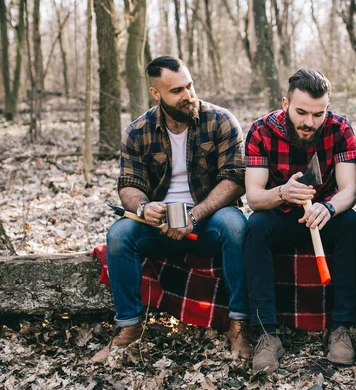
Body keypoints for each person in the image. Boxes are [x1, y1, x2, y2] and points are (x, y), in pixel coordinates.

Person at [91, 56, 250, 362]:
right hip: (158, 225)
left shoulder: (221, 121)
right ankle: (130, 327)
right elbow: (128, 183)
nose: (187, 95)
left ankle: (239, 324)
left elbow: (234, 180)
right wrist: (143, 207)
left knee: (236, 225)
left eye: (189, 85)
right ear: (156, 93)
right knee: (119, 234)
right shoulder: (138, 131)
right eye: (176, 90)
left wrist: (194, 215)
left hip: (207, 219)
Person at [244, 69, 356, 373]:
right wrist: (283, 192)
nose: (309, 122)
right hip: (280, 216)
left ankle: (341, 329)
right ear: (285, 103)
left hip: (323, 218)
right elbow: (254, 198)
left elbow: (349, 189)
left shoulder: (340, 130)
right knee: (254, 228)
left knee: (351, 223)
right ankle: (267, 334)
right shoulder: (261, 132)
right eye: (301, 112)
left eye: (318, 114)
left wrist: (329, 208)